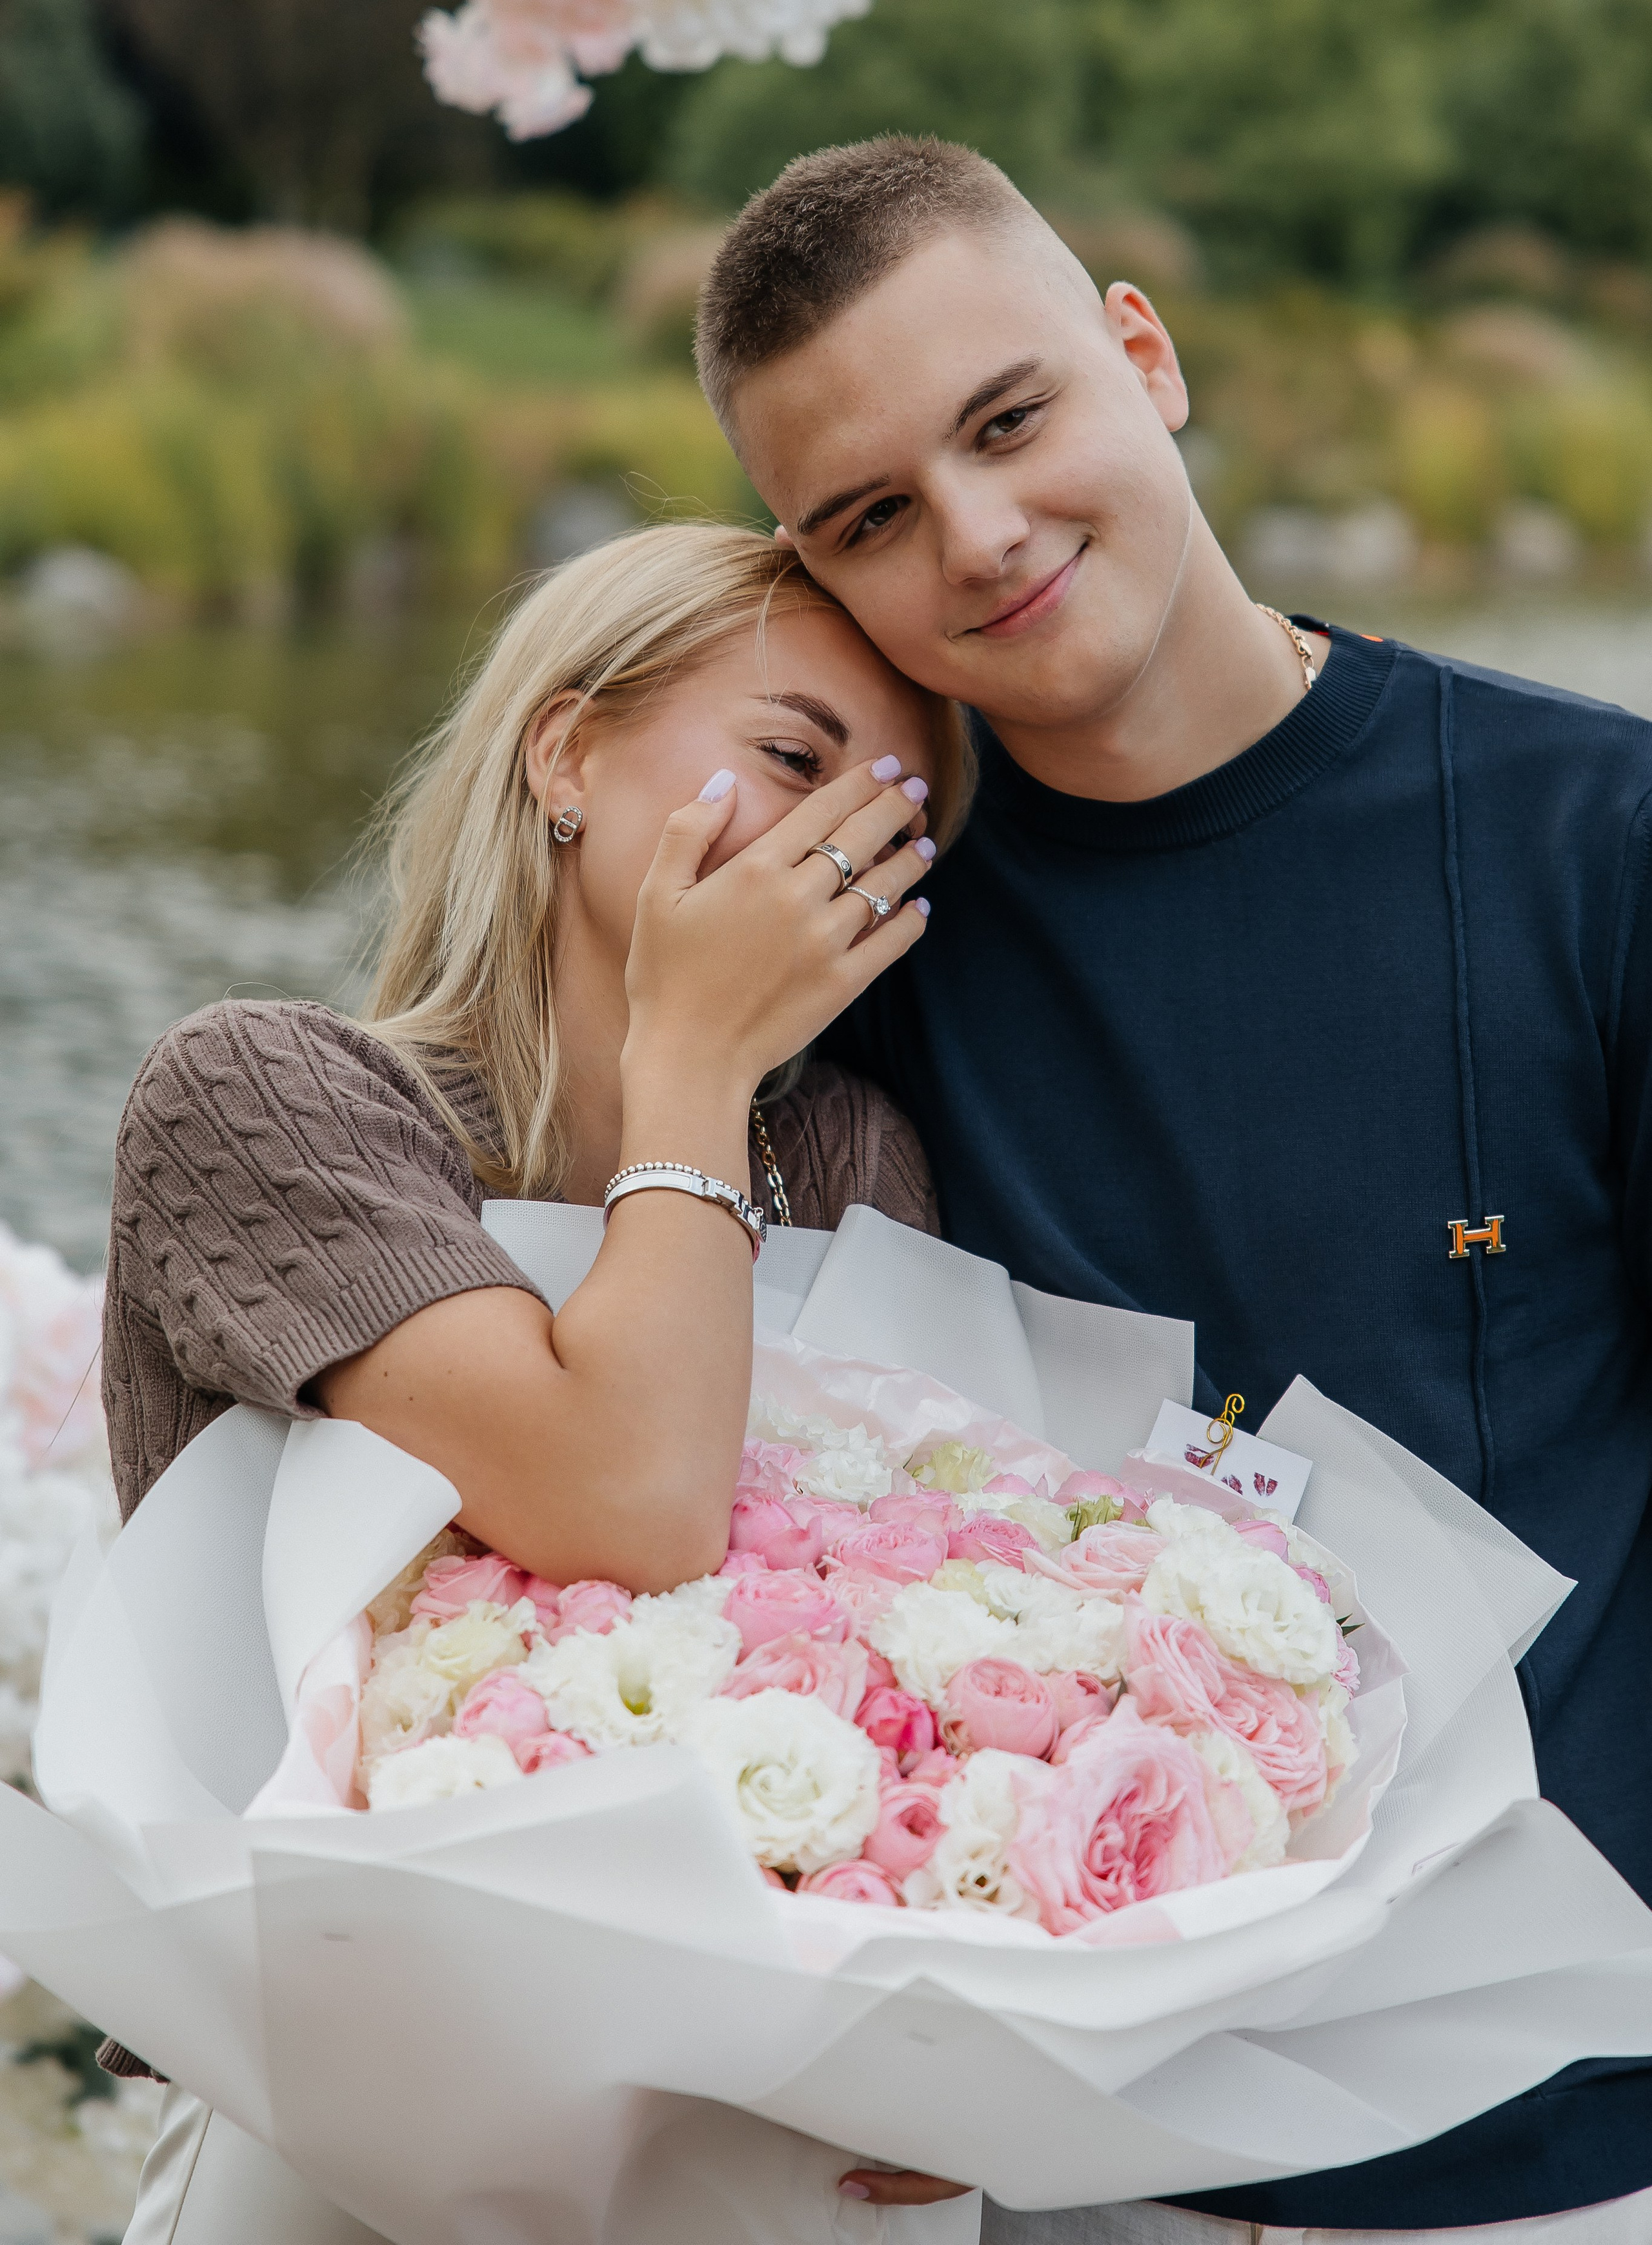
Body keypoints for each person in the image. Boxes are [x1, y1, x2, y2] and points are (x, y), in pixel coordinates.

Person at [694, 136, 1652, 2245]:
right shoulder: (851, 956)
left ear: (1148, 354)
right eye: (872, 516)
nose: (982, 534)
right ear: (816, 573)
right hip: (1074, 2164)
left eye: (1011, 419)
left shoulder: (1594, 835)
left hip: (1567, 2157)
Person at [99, 520, 978, 2235]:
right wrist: (696, 1056)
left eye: (887, 821)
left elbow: (910, 1643)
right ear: (567, 753)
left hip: (754, 2140)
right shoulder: (267, 1101)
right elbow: (629, 1502)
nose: (830, 846)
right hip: (348, 2130)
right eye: (792, 759)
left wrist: (987, 2032)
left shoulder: (851, 1153)